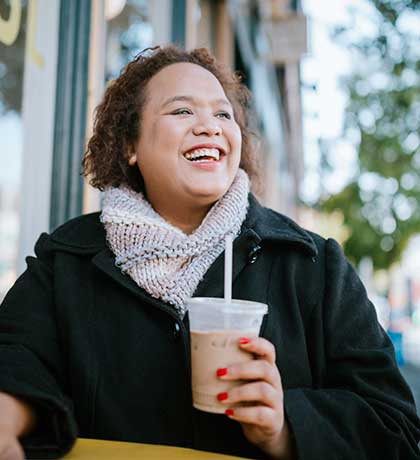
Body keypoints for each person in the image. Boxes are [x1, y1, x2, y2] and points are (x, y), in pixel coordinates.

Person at [0, 45, 419, 460]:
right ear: (130, 143)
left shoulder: (314, 265)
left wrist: (285, 425)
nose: (210, 126)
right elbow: (18, 357)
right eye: (182, 111)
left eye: (223, 114)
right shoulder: (67, 260)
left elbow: (395, 429)